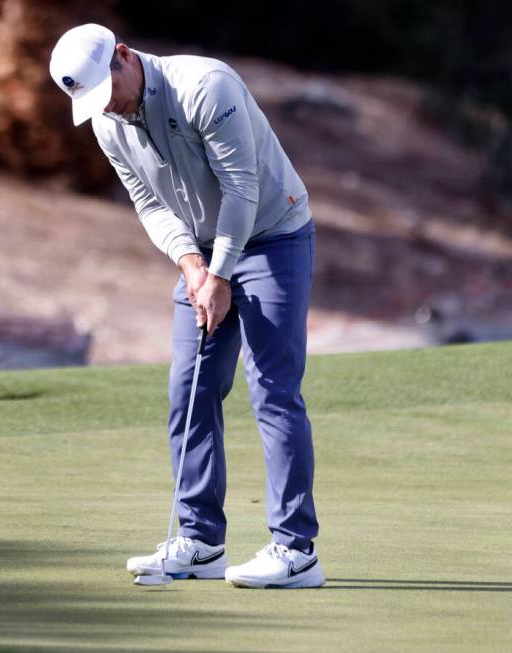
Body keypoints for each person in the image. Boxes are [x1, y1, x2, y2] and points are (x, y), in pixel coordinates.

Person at [49, 24, 323, 589]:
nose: (112, 107)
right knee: (190, 389)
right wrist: (193, 267)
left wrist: (220, 272)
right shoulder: (107, 120)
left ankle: (296, 551)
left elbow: (242, 187)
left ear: (124, 56)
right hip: (203, 254)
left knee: (272, 387)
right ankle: (201, 542)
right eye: (97, 101)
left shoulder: (205, 85)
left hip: (274, 235)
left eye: (111, 89)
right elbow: (148, 201)